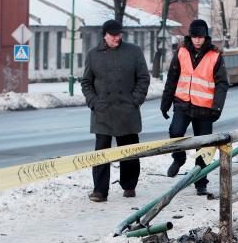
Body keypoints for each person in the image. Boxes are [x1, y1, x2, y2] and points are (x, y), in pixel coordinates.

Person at [81, 19, 150, 202]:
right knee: (101, 153)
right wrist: (94, 102)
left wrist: (135, 100)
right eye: (113, 35)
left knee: (129, 151)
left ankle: (129, 185)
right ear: (104, 35)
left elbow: (143, 78)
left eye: (119, 34)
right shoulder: (93, 54)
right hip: (102, 111)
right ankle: (100, 191)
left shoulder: (133, 51)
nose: (117, 38)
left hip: (127, 110)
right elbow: (86, 82)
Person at [160, 19, 229, 195]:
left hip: (204, 108)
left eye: (201, 37)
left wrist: (217, 107)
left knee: (203, 146)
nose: (197, 40)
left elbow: (222, 84)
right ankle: (179, 158)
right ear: (190, 36)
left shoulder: (215, 56)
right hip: (182, 103)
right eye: (194, 36)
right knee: (175, 132)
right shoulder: (182, 52)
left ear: (206, 37)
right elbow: (172, 78)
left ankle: (200, 182)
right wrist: (165, 102)